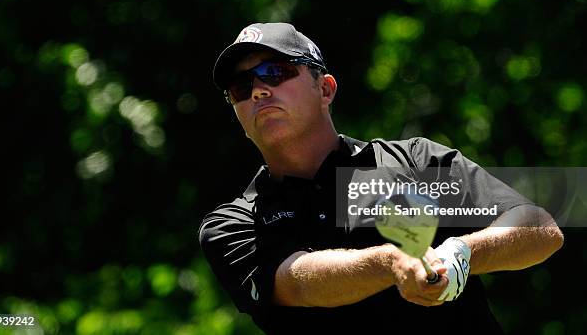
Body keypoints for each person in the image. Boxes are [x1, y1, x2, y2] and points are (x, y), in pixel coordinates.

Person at [198, 22, 564, 334]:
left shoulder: (416, 162)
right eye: (241, 88)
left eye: (275, 72)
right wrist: (392, 263)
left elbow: (539, 228)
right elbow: (298, 283)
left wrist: (462, 254)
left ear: (324, 89)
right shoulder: (234, 222)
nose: (259, 91)